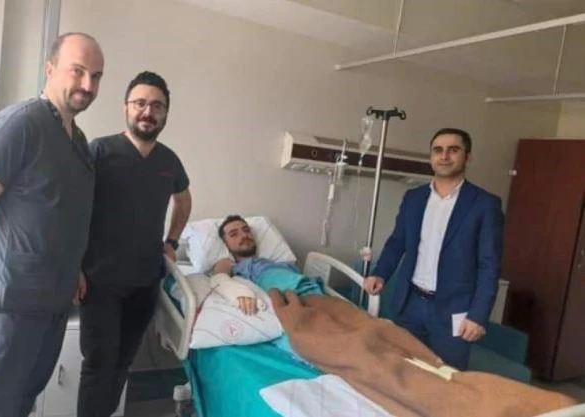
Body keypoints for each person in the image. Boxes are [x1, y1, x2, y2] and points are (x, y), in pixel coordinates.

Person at [212, 216, 576, 417]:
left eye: (245, 229)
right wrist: (237, 289)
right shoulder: (236, 266)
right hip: (295, 305)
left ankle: (485, 395)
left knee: (387, 337)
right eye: (233, 233)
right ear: (226, 243)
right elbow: (218, 279)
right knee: (359, 352)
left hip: (321, 298)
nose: (243, 235)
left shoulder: (278, 260)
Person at [0, 32, 104, 416]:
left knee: (25, 399)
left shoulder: (78, 140)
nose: (88, 84)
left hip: (55, 299)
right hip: (16, 299)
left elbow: (63, 211)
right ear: (50, 69)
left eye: (96, 76)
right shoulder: (21, 124)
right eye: (78, 71)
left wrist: (75, 268)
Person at [78, 71, 192, 417]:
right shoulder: (100, 151)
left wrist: (172, 241)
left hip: (145, 281)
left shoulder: (169, 161)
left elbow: (183, 200)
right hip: (100, 281)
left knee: (123, 364)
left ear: (166, 114)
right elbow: (72, 207)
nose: (147, 111)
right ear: (126, 108)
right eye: (140, 103)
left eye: (157, 105)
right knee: (98, 365)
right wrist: (73, 266)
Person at [363, 128, 504, 370]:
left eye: (453, 150)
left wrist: (478, 315)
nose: (444, 156)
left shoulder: (484, 204)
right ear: (431, 157)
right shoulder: (414, 198)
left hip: (454, 311)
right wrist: (380, 273)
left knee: (445, 377)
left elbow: (489, 265)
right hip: (410, 304)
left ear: (467, 157)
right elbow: (397, 241)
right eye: (438, 150)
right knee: (401, 371)